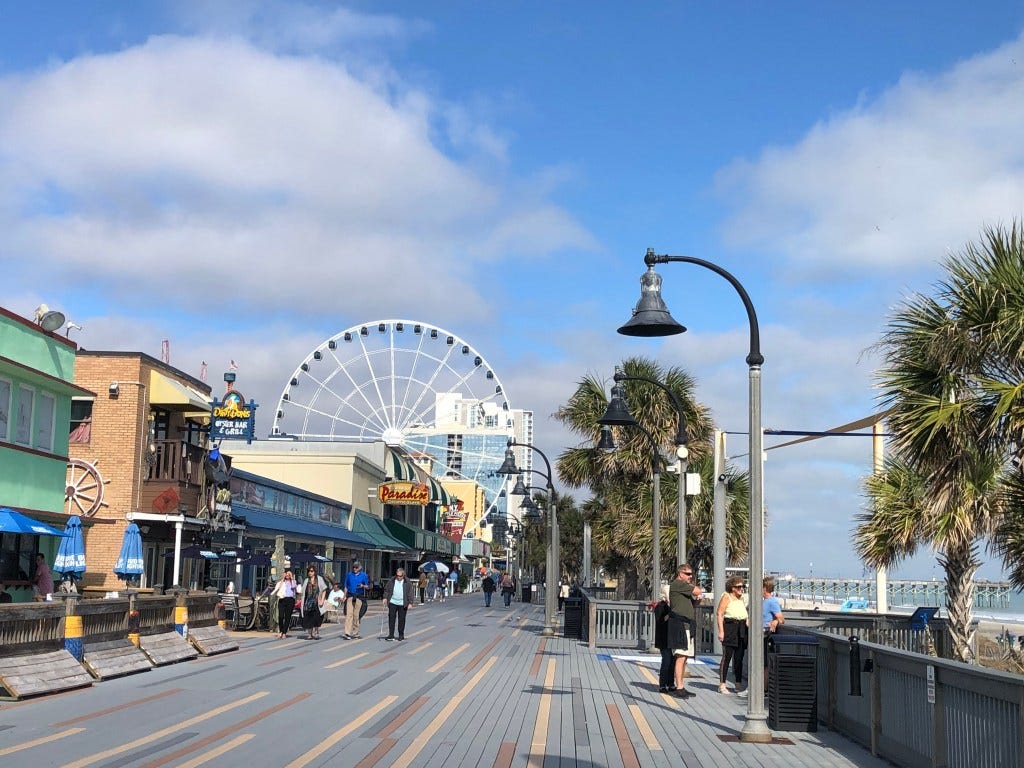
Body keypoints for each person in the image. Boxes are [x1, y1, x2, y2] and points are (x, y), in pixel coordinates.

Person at [667, 563, 702, 698]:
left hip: (687, 624)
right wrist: (695, 590)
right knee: (680, 656)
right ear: (680, 574)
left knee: (685, 657)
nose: (690, 577)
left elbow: (692, 602)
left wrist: (697, 602)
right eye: (687, 574)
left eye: (691, 574)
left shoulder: (684, 589)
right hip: (680, 625)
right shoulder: (678, 584)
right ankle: (679, 687)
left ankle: (681, 685)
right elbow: (697, 591)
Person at [716, 576, 749, 694]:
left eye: (742, 586)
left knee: (739, 658)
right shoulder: (727, 597)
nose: (741, 589)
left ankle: (738, 683)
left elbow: (744, 613)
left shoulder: (742, 599)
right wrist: (721, 631)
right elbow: (719, 614)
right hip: (730, 627)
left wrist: (747, 621)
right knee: (727, 657)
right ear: (732, 587)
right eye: (739, 587)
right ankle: (722, 684)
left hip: (741, 628)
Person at [762, 576, 785, 687]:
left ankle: (764, 688)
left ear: (765, 588)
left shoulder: (772, 602)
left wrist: (775, 621)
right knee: (762, 662)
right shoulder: (764, 601)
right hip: (760, 635)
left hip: (766, 635)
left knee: (765, 663)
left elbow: (781, 618)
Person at [652, 583, 675, 693]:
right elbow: (660, 621)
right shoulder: (660, 606)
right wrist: (669, 614)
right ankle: (662, 685)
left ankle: (671, 684)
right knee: (666, 661)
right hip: (663, 637)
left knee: (672, 661)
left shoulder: (674, 606)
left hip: (672, 637)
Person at [298, 566, 328, 640]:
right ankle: (309, 634)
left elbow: (324, 590)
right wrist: (300, 600)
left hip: (316, 601)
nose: (310, 573)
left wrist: (322, 600)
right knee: (308, 618)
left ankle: (316, 631)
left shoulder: (319, 579)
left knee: (316, 618)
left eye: (311, 571)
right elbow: (302, 593)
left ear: (314, 572)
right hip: (308, 602)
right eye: (309, 571)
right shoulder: (306, 580)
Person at [383, 568, 413, 641]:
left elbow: (410, 592)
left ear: (403, 575)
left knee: (401, 619)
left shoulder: (407, 582)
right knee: (391, 618)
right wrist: (385, 598)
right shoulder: (392, 580)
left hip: (402, 603)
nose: (398, 577)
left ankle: (401, 634)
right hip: (393, 602)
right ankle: (391, 634)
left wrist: (410, 602)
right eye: (397, 575)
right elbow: (387, 590)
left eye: (400, 576)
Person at [343, 561, 370, 639]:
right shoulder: (349, 575)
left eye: (356, 567)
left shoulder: (363, 575)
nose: (355, 569)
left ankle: (355, 632)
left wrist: (363, 586)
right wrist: (344, 596)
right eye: (354, 567)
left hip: (359, 596)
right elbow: (346, 586)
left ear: (360, 568)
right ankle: (347, 633)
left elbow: (368, 586)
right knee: (349, 614)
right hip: (350, 596)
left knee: (356, 615)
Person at [271, 570, 297, 638]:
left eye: (289, 574)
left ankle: (284, 632)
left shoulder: (293, 582)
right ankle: (281, 630)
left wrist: (291, 577)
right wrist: (283, 578)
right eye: (286, 574)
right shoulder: (281, 582)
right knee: (281, 616)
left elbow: (294, 587)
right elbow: (278, 588)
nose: (287, 575)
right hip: (282, 600)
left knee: (288, 617)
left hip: (290, 600)